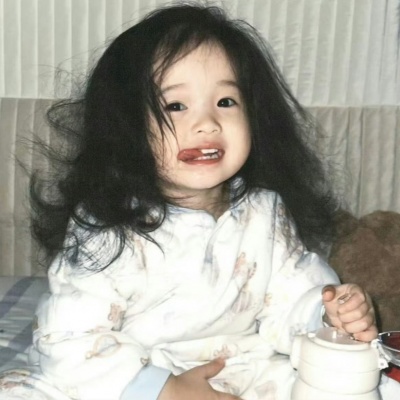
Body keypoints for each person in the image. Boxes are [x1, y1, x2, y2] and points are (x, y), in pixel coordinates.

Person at [0, 3, 397, 400]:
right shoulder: (106, 226)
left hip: (241, 369)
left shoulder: (264, 212)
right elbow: (69, 338)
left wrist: (328, 313)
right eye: (176, 106)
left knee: (359, 381)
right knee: (18, 390)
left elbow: (292, 294)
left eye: (226, 102)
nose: (207, 123)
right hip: (132, 378)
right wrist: (163, 390)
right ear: (126, 127)